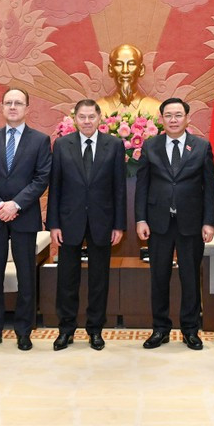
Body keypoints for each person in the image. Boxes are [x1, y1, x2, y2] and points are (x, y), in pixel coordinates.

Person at [0, 88, 51, 351]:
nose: (13, 107)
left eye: (18, 103)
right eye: (8, 103)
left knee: (25, 277)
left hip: (24, 216)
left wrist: (15, 204)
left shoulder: (40, 140)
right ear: (2, 107)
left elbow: (41, 178)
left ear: (27, 107)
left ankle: (23, 331)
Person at [135, 98, 214, 350]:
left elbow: (209, 188)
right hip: (158, 222)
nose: (173, 119)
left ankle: (190, 330)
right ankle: (160, 329)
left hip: (191, 222)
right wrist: (140, 219)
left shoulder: (201, 147)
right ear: (161, 119)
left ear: (187, 118)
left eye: (178, 115)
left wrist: (208, 222)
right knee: (158, 277)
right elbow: (142, 186)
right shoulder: (150, 146)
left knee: (190, 277)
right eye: (168, 115)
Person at [47, 99, 126, 351]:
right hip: (69, 221)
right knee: (66, 279)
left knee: (98, 279)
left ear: (99, 117)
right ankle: (66, 329)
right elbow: (55, 187)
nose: (87, 121)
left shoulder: (113, 145)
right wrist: (54, 224)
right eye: (82, 117)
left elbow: (119, 189)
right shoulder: (61, 145)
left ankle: (95, 330)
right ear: (75, 119)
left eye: (91, 116)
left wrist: (119, 225)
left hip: (102, 222)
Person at [95, 44, 161, 117]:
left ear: (141, 70)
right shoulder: (97, 109)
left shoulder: (156, 109)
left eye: (131, 64)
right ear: (110, 70)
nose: (125, 70)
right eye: (119, 64)